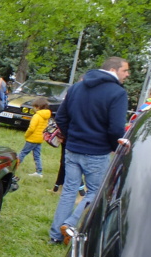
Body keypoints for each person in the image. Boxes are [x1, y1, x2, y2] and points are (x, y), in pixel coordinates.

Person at [48, 57, 129, 245]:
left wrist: (72, 137)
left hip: (73, 148)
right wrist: (113, 147)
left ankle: (55, 235)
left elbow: (61, 117)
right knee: (96, 191)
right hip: (96, 151)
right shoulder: (117, 93)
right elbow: (116, 128)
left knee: (68, 191)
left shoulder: (77, 87)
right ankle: (70, 223)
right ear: (114, 69)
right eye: (125, 70)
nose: (127, 74)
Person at [18, 97, 50, 177]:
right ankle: (39, 172)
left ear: (38, 107)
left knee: (22, 153)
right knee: (37, 155)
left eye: (34, 107)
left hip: (32, 139)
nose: (34, 109)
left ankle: (14, 167)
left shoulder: (36, 116)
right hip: (39, 139)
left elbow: (31, 128)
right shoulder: (46, 116)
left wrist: (26, 135)